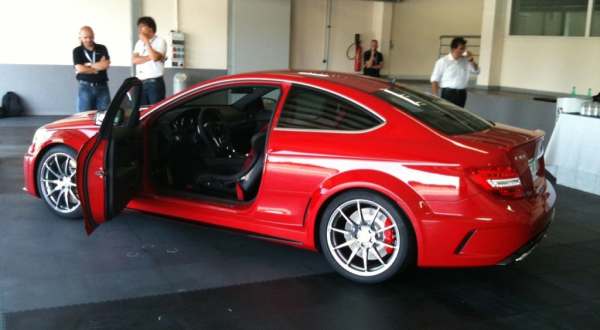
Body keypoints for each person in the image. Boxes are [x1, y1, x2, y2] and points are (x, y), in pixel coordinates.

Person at [430, 37, 480, 108]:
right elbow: (435, 79)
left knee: (460, 115)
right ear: (453, 49)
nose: (464, 51)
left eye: (464, 48)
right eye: (461, 48)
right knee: (447, 115)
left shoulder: (466, 61)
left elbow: (477, 71)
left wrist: (471, 60)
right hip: (448, 93)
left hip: (462, 93)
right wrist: (435, 96)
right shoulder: (443, 61)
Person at [73, 26, 111, 112]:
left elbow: (106, 64)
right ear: (80, 38)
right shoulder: (77, 51)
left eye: (90, 37)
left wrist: (88, 65)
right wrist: (96, 68)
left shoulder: (102, 48)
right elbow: (79, 68)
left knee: (105, 115)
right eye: (85, 37)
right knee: (83, 116)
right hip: (85, 87)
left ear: (94, 36)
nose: (88, 39)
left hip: (102, 87)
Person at [132, 16, 167, 106]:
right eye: (138, 27)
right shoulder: (139, 43)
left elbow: (155, 57)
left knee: (155, 112)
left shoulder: (160, 41)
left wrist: (147, 42)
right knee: (141, 112)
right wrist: (150, 57)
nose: (139, 29)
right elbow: (134, 60)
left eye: (142, 26)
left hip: (154, 83)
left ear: (150, 28)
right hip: (139, 83)